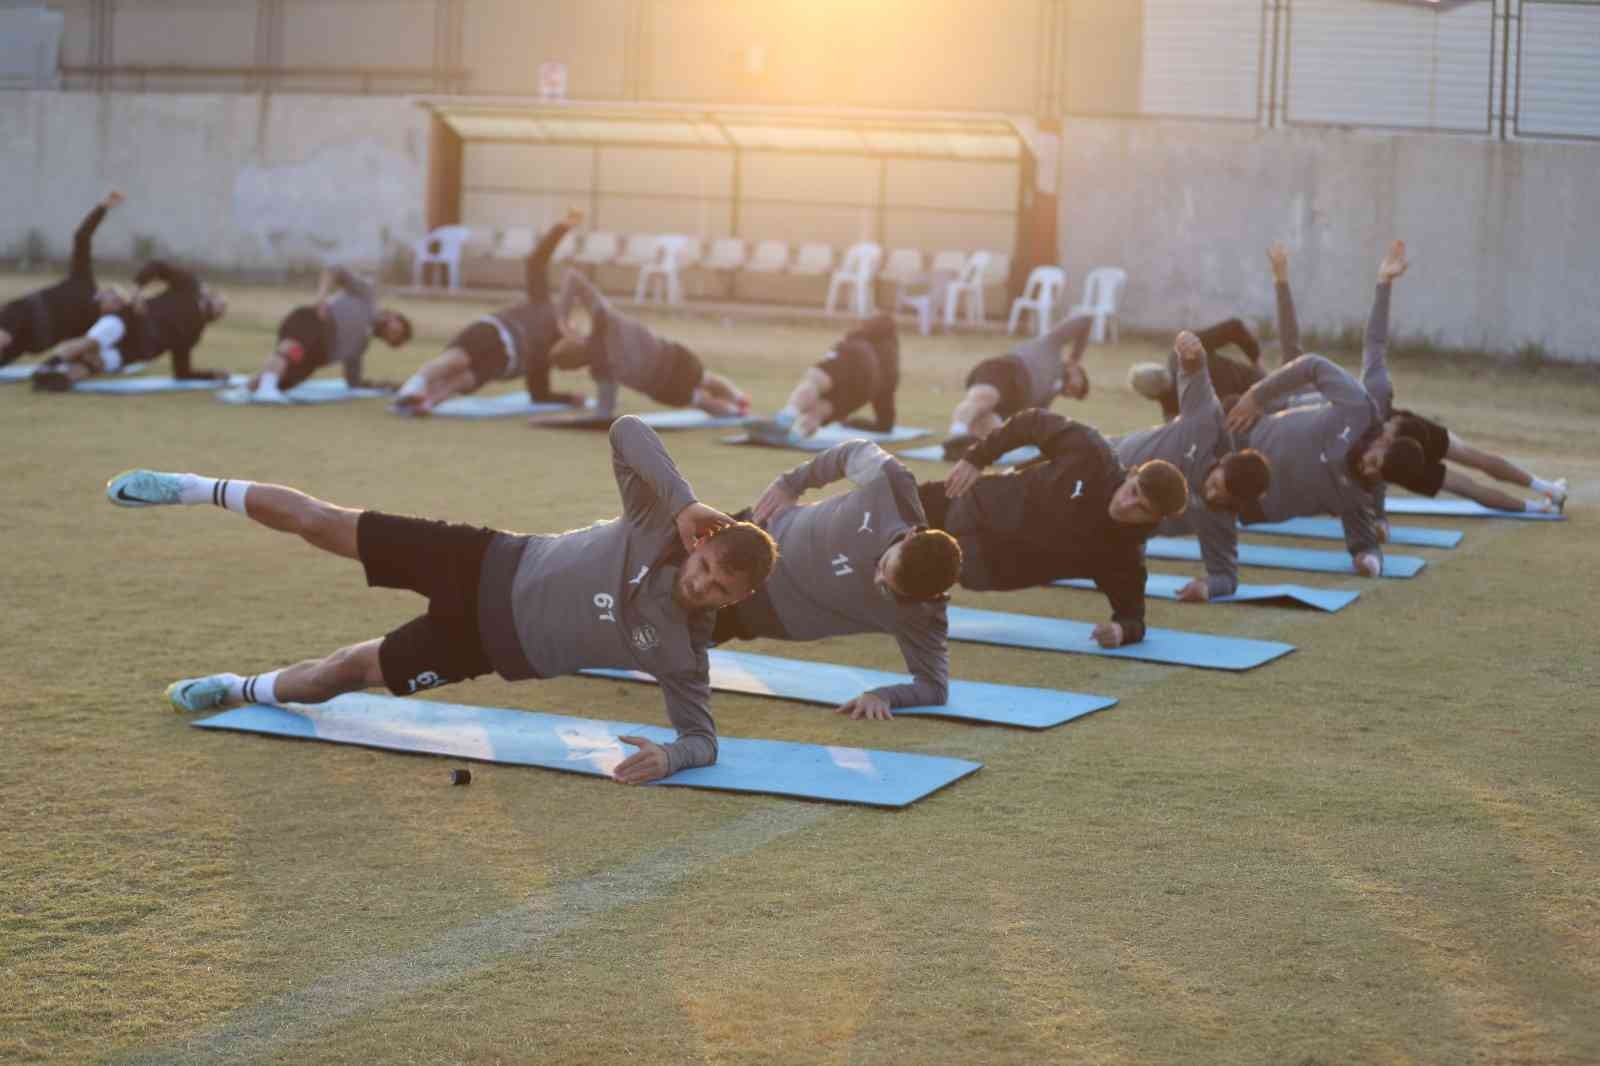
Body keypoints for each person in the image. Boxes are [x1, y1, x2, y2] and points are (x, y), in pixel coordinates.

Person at [105, 417, 779, 784]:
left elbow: (703, 740)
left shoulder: (682, 651)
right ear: (701, 542)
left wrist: (671, 757)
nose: (703, 585)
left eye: (721, 589)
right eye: (706, 566)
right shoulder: (656, 523)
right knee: (322, 523)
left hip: (482, 646)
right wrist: (683, 500)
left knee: (343, 673)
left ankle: (234, 687)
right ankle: (191, 487)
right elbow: (627, 430)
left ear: (740, 597)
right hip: (482, 561)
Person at [1269, 241, 1564, 516]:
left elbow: (1361, 344)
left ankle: (1543, 499)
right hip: (1398, 448)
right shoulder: (1346, 406)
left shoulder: (1352, 402)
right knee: (1468, 469)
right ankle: (1544, 496)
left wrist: (1383, 284)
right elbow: (1370, 344)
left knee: (1467, 472)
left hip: (1404, 433)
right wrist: (1383, 282)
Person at [715, 439, 962, 721]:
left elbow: (934, 687)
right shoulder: (894, 486)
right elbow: (851, 453)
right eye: (884, 566)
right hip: (754, 536)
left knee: (671, 638)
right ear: (909, 536)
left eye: (889, 589)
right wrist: (792, 483)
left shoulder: (921, 614)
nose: (876, 577)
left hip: (754, 610)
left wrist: (883, 695)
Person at [1223, 241, 1420, 576]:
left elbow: (1366, 491)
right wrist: (1281, 279)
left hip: (1258, 495)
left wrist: (1374, 537)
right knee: (1226, 413)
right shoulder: (1338, 400)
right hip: (1252, 442)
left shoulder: (1366, 456)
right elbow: (1295, 346)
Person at [925, 409, 1189, 647]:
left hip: (981, 562)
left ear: (1154, 519)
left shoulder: (1123, 555)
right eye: (1133, 492)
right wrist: (977, 457)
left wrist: (1120, 631)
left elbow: (1132, 618)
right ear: (1132, 474)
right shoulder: (1091, 454)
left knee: (916, 563)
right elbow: (1030, 421)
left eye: (1142, 509)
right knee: (902, 500)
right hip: (973, 503)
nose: (1126, 505)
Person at [1114, 331, 1271, 603]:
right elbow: (1196, 374)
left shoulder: (1219, 515)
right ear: (1224, 461)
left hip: (1118, 522)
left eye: (1223, 498)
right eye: (1215, 484)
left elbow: (1226, 576)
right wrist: (1192, 354)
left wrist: (1207, 588)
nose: (1211, 495)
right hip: (1106, 457)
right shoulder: (1206, 423)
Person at [392, 210, 587, 415]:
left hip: (501, 363)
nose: (575, 330)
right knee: (458, 361)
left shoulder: (547, 357)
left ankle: (425, 403)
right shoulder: (543, 303)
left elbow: (539, 394)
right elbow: (535, 261)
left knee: (464, 380)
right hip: (495, 331)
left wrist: (570, 398)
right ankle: (410, 390)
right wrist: (563, 227)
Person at [547, 268, 748, 421]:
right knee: (706, 379)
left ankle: (736, 413)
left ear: (577, 366)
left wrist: (572, 419)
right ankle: (739, 399)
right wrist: (562, 320)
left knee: (701, 402)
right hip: (676, 358)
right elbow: (573, 277)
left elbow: (604, 412)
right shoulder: (604, 322)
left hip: (664, 388)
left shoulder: (602, 370)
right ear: (574, 339)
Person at [31, 260, 229, 391]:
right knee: (93, 342)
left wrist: (210, 375)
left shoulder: (195, 332)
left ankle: (59, 381)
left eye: (223, 309)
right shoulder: (189, 286)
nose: (223, 307)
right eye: (222, 302)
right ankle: (48, 365)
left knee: (96, 364)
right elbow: (157, 266)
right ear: (212, 295)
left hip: (141, 348)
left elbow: (182, 372)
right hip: (133, 319)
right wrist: (136, 292)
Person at [237, 266, 411, 404]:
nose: (390, 334)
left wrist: (383, 385)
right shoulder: (367, 294)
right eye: (395, 330)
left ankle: (249, 389)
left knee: (285, 381)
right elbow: (333, 270)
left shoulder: (361, 346)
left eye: (392, 339)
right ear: (394, 316)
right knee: (293, 350)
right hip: (315, 323)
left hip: (316, 357)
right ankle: (266, 390)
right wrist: (321, 299)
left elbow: (353, 382)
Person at [939, 314, 1093, 459]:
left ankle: (965, 447)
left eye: (1073, 394)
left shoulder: (1047, 397)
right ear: (1076, 370)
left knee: (995, 428)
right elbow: (1085, 320)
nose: (1071, 390)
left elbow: (1037, 425)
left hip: (1015, 404)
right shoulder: (1051, 344)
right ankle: (956, 434)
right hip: (1008, 372)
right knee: (985, 398)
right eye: (1078, 385)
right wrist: (1075, 358)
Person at [1, 191, 124, 367]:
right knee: (3, 338)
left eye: (118, 304)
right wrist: (103, 207)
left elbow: (81, 348)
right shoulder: (84, 280)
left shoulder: (94, 325)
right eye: (115, 297)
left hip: (36, 340)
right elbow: (82, 237)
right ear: (105, 292)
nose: (116, 302)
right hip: (28, 312)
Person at [751, 314, 901, 439]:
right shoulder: (891, 361)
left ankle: (786, 417)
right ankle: (798, 434)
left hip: (854, 356)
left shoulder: (859, 341)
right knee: (824, 407)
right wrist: (862, 422)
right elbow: (885, 421)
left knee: (814, 381)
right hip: (867, 388)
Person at [1127, 317, 1264, 422]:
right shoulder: (1183, 351)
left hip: (1258, 417)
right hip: (1261, 388)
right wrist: (1257, 362)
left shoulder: (1174, 416)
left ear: (1150, 397)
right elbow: (1234, 327)